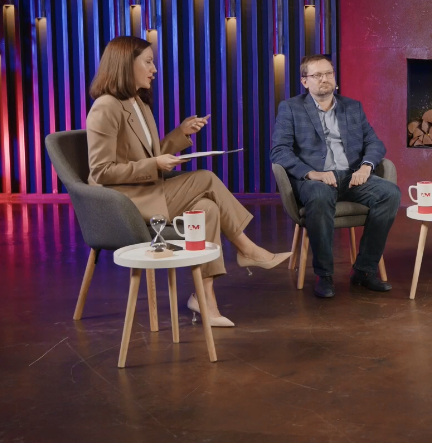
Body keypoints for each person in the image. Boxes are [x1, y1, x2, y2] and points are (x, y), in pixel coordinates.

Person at [86, 36, 291, 328]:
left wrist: (180, 133)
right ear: (125, 65)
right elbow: (101, 171)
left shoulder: (138, 103)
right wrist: (154, 165)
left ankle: (204, 298)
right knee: (205, 178)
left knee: (208, 209)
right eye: (148, 62)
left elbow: (148, 153)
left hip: (146, 190)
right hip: (124, 203)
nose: (154, 69)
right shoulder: (105, 107)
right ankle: (247, 249)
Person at [271, 54, 400, 298]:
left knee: (390, 193)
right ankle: (325, 274)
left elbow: (374, 143)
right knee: (320, 196)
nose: (324, 79)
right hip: (315, 180)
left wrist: (366, 167)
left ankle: (364, 270)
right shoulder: (291, 108)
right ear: (304, 81)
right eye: (317, 75)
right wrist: (312, 174)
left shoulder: (352, 107)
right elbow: (279, 150)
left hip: (351, 176)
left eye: (328, 73)